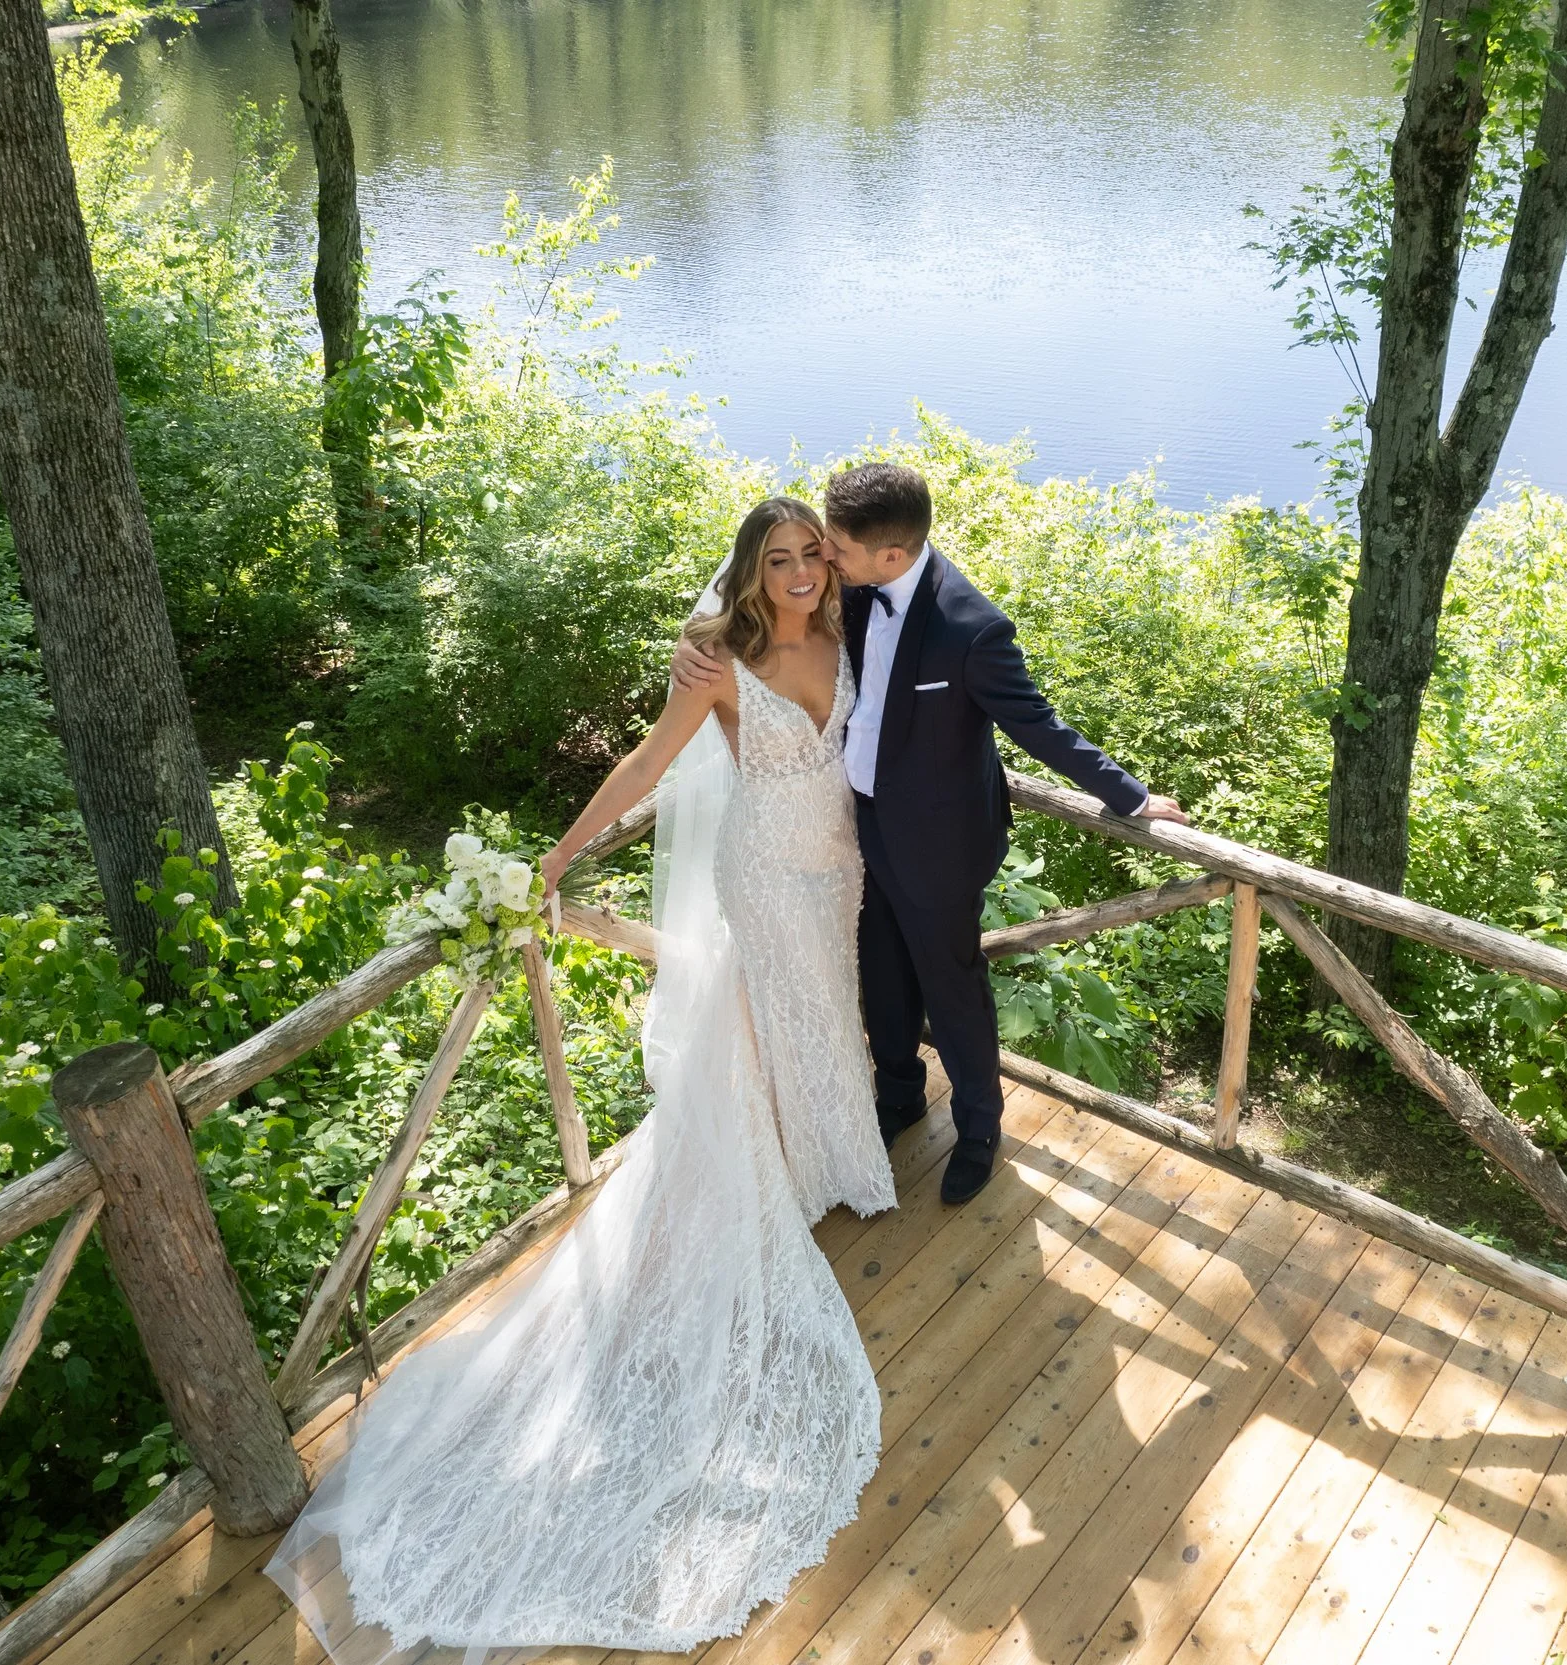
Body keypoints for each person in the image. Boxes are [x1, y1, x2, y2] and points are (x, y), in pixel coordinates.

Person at [263, 496, 890, 1665]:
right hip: (761, 875)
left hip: (837, 869)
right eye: (780, 559)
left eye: (812, 555)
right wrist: (554, 856)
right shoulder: (717, 664)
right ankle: (775, 1172)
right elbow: (650, 762)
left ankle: (822, 1151)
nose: (802, 572)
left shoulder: (852, 626)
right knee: (766, 1026)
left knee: (821, 1023)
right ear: (748, 573)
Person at [675, 462, 1185, 1206]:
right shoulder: (841, 587)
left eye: (834, 551)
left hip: (941, 845)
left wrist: (1131, 796)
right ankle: (900, 1095)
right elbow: (765, 586)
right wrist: (698, 643)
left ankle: (979, 1126)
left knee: (952, 990)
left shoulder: (972, 629)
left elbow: (1040, 725)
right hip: (853, 830)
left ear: (889, 555)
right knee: (881, 979)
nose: (822, 562)